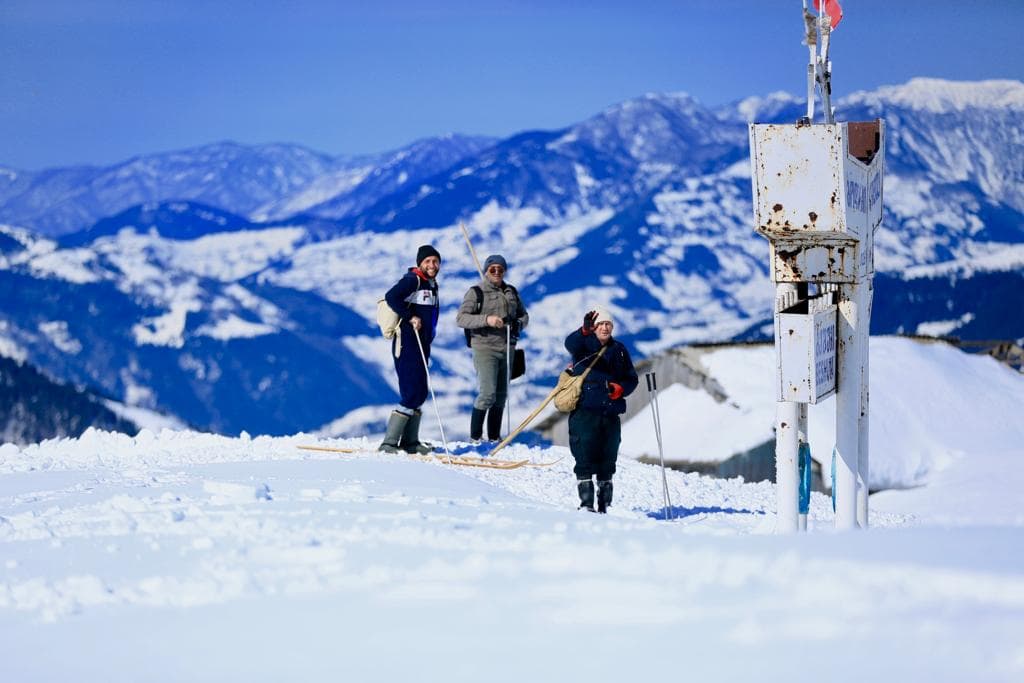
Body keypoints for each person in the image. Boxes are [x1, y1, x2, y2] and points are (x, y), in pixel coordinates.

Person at [564, 306, 638, 513]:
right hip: (585, 410)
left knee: (608, 456)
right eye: (601, 324)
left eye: (608, 324)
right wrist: (584, 330)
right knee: (584, 455)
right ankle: (586, 503)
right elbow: (570, 343)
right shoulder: (583, 345)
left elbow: (632, 378)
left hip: (610, 411)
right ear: (594, 327)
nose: (605, 328)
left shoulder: (619, 349)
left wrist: (621, 388)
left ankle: (605, 504)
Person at [456, 254, 529, 442]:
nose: (497, 272)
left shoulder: (511, 292)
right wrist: (486, 320)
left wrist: (518, 325)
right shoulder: (476, 292)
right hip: (485, 347)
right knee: (487, 393)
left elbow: (524, 315)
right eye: (492, 269)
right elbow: (461, 318)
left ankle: (494, 437)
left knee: (501, 396)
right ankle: (475, 438)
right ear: (486, 271)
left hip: (508, 348)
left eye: (500, 269)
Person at [379, 244, 441, 454]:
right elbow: (391, 297)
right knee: (410, 391)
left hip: (422, 344)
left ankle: (410, 442)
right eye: (427, 261)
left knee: (420, 391)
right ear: (419, 263)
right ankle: (389, 443)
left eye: (435, 261)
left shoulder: (431, 284)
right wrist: (410, 316)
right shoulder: (413, 280)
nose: (432, 265)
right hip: (407, 343)